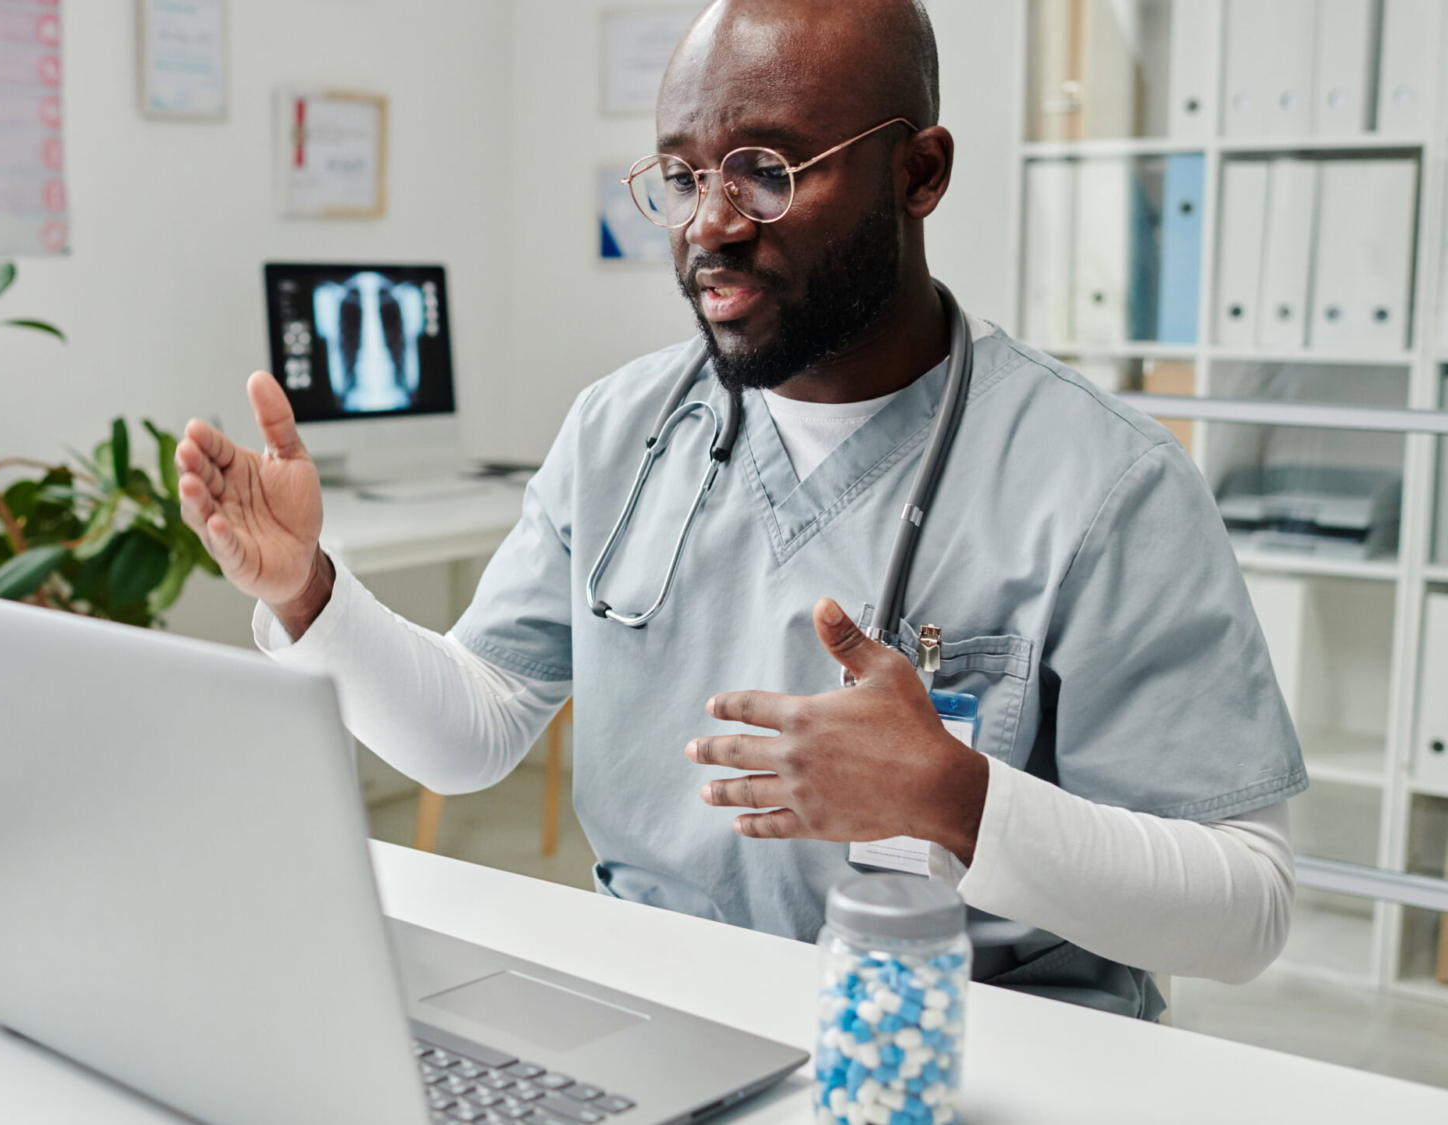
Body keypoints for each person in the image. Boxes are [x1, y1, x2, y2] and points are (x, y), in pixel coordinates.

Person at [175, 0, 1302, 1019]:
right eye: (679, 174)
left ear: (917, 174)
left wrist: (959, 800)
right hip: (666, 1016)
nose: (706, 224)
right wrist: (309, 595)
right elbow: (471, 736)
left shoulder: (1103, 483)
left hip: (966, 1046)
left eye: (766, 169)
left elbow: (1243, 908)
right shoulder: (618, 429)